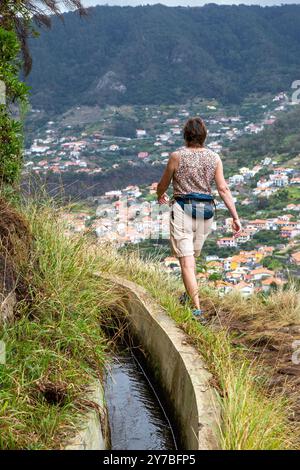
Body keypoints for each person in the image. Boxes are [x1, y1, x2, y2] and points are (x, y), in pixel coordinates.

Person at [157, 116, 242, 319]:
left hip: (182, 209)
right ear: (204, 136)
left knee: (186, 263)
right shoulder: (214, 157)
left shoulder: (177, 156)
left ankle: (196, 310)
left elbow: (163, 184)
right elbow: (222, 188)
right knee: (192, 258)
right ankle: (189, 297)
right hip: (206, 213)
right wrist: (235, 217)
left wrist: (159, 194)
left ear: (185, 135)